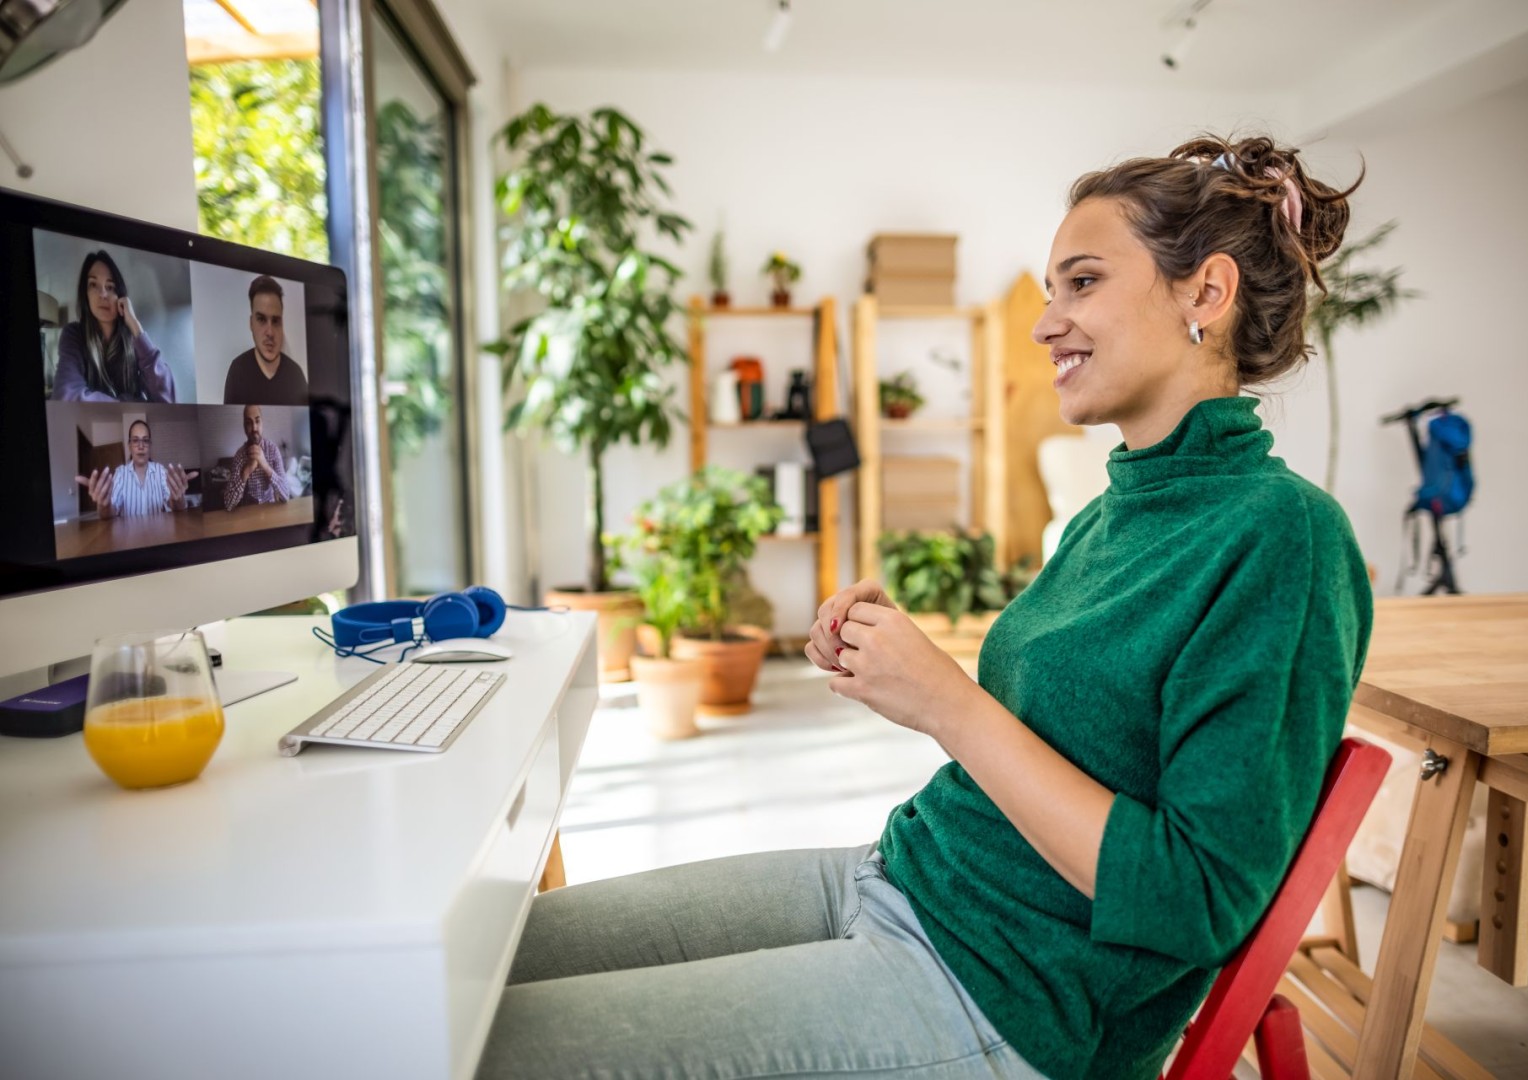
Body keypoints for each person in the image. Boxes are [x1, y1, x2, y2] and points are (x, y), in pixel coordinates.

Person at [473, 135, 1373, 1080]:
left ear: (1206, 292)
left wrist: (943, 700)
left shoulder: (1282, 537)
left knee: (481, 1050)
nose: (1044, 322)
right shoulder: (1115, 510)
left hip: (1008, 997)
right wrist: (889, 667)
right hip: (902, 875)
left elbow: (1194, 901)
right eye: (1049, 289)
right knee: (479, 964)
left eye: (1081, 283)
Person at [51, 250, 176, 403]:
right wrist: (134, 402)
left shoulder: (134, 340)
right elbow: (65, 396)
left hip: (134, 426)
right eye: (93, 285)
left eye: (110, 287)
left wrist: (136, 327)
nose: (102, 294)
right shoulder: (74, 334)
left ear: (121, 296)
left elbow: (167, 400)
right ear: (86, 294)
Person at [76, 419, 197, 519]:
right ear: (129, 446)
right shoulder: (120, 473)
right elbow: (110, 513)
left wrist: (178, 499)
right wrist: (104, 505)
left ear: (150, 445)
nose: (140, 446)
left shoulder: (161, 471)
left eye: (145, 440)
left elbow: (175, 506)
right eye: (135, 440)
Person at [222, 275, 308, 405]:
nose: (270, 332)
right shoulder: (238, 371)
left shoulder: (296, 375)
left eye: (275, 321)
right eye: (261, 319)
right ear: (251, 323)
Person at [223, 404, 293, 511]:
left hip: (270, 509)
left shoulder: (273, 450)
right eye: (249, 423)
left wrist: (265, 465)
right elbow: (228, 504)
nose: (254, 428)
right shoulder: (239, 456)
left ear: (262, 423)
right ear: (244, 427)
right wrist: (246, 470)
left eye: (257, 421)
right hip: (248, 512)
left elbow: (286, 495)